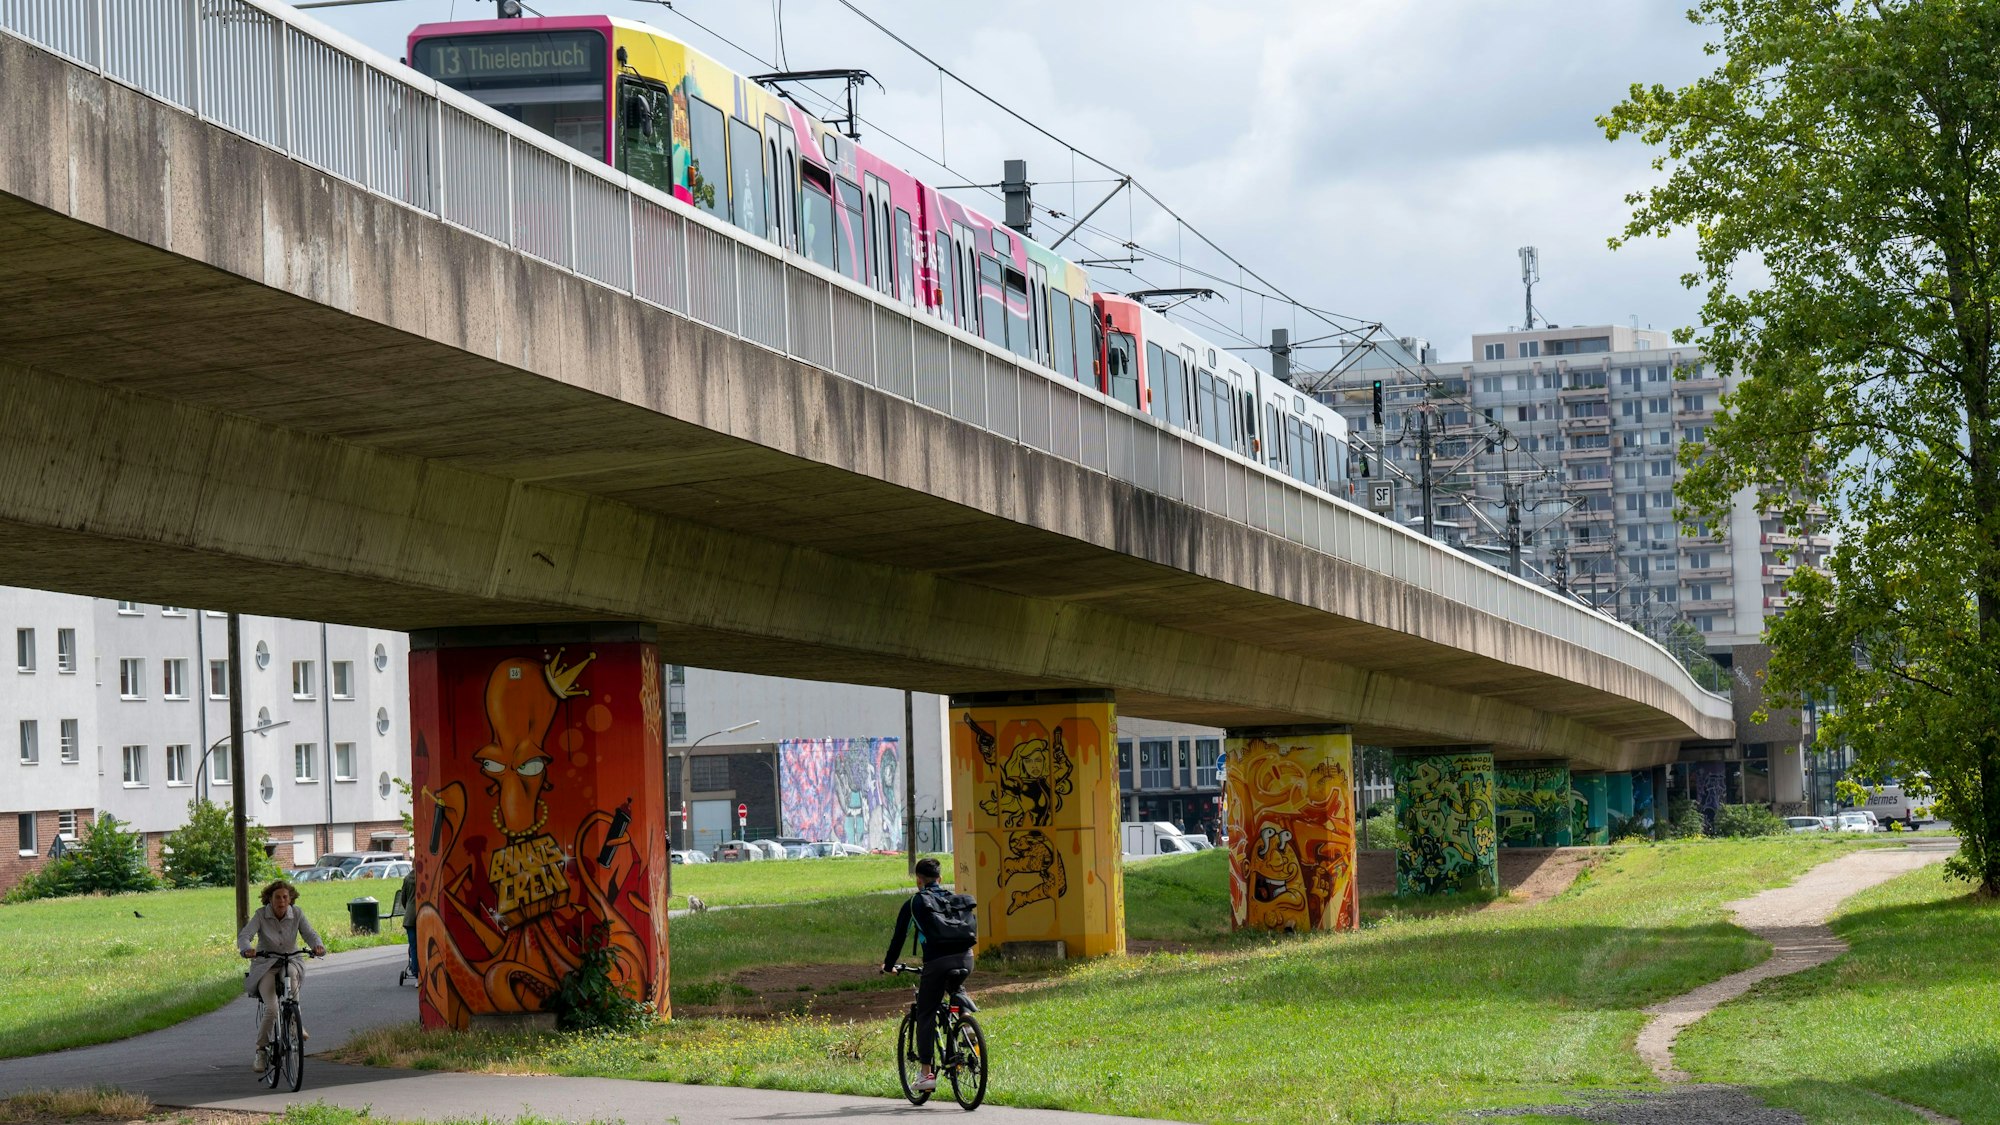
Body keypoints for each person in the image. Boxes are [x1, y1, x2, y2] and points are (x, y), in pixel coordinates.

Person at [880, 857, 974, 1094]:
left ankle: (926, 1074)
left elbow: (899, 937)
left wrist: (888, 965)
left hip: (937, 962)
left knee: (926, 1012)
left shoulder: (915, 902)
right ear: (940, 879)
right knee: (954, 984)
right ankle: (965, 1017)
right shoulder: (954, 899)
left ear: (918, 881)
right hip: (966, 958)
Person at [237, 879, 327, 1072]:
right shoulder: (261, 915)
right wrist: (247, 949)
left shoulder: (297, 914)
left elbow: (310, 934)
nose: (282, 901)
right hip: (266, 964)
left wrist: (317, 946)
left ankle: (295, 1022)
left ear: (290, 898)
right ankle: (261, 1050)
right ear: (269, 899)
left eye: (285, 897)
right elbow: (245, 936)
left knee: (292, 974)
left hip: (290, 960)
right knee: (272, 1009)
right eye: (277, 897)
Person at [392, 862, 418, 979]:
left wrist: (409, 908)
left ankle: (416, 973)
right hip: (425, 915)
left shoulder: (407, 879)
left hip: (410, 917)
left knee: (413, 946)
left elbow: (404, 899)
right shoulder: (427, 877)